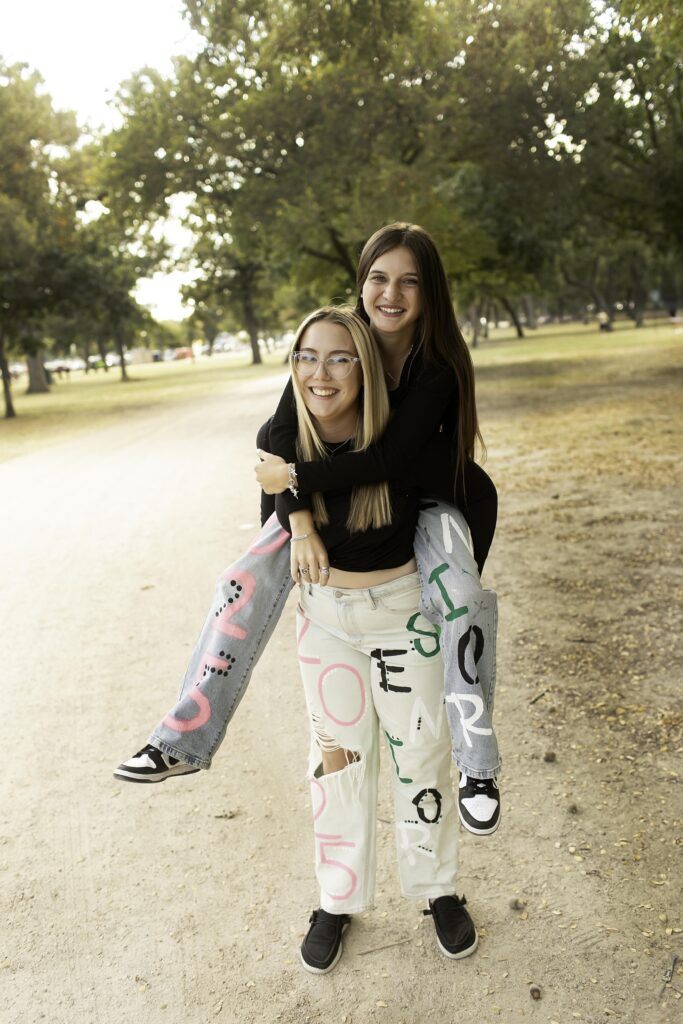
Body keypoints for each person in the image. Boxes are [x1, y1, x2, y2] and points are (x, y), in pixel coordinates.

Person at [114, 223, 501, 838]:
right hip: (335, 495)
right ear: (361, 282)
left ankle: (477, 767)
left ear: (431, 294)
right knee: (241, 578)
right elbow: (275, 434)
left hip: (431, 501)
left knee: (464, 603)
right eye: (378, 277)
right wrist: (296, 521)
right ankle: (181, 739)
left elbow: (387, 461)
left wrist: (292, 475)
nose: (390, 293)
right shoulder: (340, 337)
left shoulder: (437, 367)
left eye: (409, 281)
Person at [279, 304, 478, 972]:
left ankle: (437, 890)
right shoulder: (285, 441)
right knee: (336, 759)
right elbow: (273, 489)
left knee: (421, 753)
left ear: (367, 370)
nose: (320, 372)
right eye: (307, 357)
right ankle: (336, 899)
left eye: (339, 358)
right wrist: (298, 518)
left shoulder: (404, 443)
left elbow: (469, 494)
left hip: (401, 615)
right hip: (323, 617)